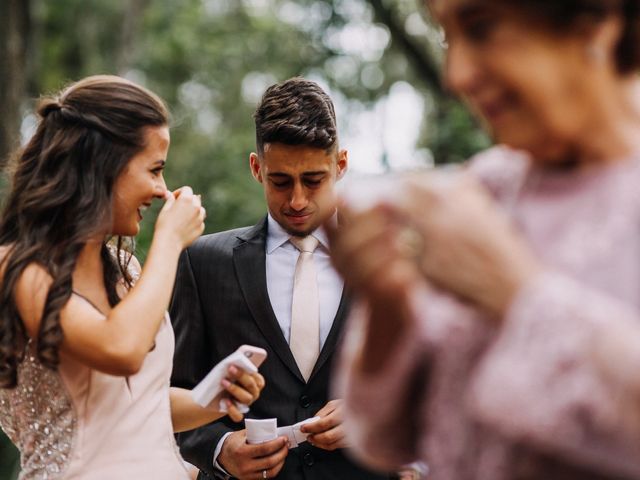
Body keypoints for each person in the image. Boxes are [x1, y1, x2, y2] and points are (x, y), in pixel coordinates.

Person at [329, 0, 640, 479]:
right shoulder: (483, 189)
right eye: (447, 38)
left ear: (597, 21)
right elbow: (380, 440)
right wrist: (389, 305)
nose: (456, 76)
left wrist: (519, 296)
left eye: (482, 28)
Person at [0, 75, 264, 480]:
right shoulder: (19, 268)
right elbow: (120, 349)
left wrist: (209, 398)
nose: (162, 190)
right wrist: (170, 242)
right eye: (155, 170)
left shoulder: (123, 268)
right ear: (104, 165)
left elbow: (140, 407)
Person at [170, 77, 389, 480]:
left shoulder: (387, 258)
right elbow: (170, 397)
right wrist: (220, 449)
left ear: (340, 164)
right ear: (257, 168)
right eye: (280, 181)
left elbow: (429, 387)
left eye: (314, 180)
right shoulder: (202, 263)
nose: (298, 201)